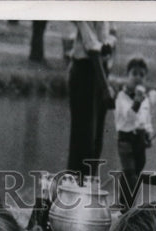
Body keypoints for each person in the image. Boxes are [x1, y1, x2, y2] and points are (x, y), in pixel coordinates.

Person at [66, 21, 117, 179]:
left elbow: (112, 36)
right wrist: (105, 86)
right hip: (85, 70)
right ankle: (74, 190)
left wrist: (108, 45)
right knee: (84, 139)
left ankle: (87, 187)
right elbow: (92, 47)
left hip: (100, 70)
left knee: (96, 142)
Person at [114, 55, 154, 208]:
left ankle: (126, 204)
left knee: (137, 173)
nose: (138, 78)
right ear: (127, 75)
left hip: (140, 140)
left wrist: (149, 133)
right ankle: (126, 206)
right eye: (134, 74)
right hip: (126, 139)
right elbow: (129, 116)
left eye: (142, 75)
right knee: (129, 172)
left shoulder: (145, 100)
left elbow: (147, 118)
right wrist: (136, 101)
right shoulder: (121, 97)